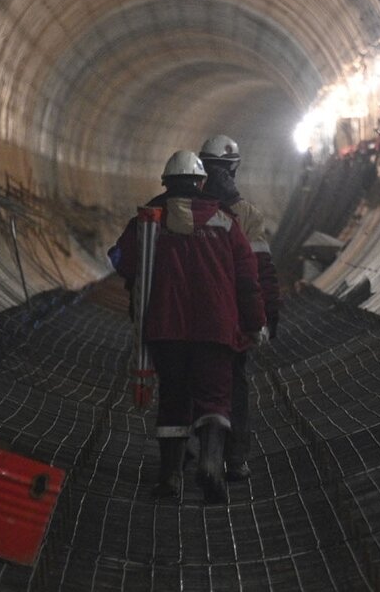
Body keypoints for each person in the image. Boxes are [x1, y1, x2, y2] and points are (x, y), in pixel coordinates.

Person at [110, 150, 265, 503]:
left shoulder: (148, 220)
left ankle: (170, 478)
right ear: (201, 183)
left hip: (166, 327)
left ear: (166, 183)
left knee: (174, 399)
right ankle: (211, 465)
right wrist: (254, 322)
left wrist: (124, 261)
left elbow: (122, 260)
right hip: (217, 327)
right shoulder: (225, 221)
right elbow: (248, 278)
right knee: (214, 398)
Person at [198, 135, 281, 482]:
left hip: (191, 318)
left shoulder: (185, 209)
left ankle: (196, 453)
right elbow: (259, 272)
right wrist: (266, 317)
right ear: (234, 168)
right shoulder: (245, 215)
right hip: (232, 320)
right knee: (235, 386)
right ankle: (234, 459)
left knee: (194, 385)